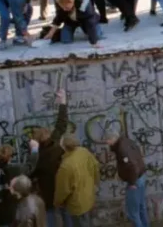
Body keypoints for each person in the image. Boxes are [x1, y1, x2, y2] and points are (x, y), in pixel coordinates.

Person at [30, 89, 68, 227]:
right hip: (62, 187)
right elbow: (62, 122)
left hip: (48, 192)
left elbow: (30, 171)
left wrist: (33, 150)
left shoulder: (38, 156)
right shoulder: (55, 142)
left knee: (50, 216)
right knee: (65, 213)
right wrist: (63, 102)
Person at [54, 134, 99, 226]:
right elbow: (95, 166)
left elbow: (63, 190)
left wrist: (57, 202)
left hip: (76, 204)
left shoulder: (65, 166)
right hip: (89, 196)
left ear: (63, 146)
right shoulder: (84, 152)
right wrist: (95, 184)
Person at [106, 132, 149, 227]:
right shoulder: (127, 141)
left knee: (133, 212)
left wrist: (132, 183)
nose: (107, 142)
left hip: (135, 181)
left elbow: (132, 165)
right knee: (141, 207)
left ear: (113, 139)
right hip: (141, 177)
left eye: (108, 140)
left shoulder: (122, 149)